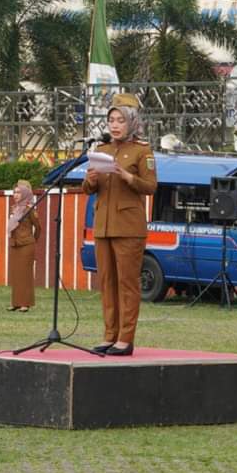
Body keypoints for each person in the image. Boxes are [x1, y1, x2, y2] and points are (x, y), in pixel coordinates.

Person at [80, 93, 158, 355]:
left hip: (128, 227)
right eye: (111, 120)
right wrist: (90, 178)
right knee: (107, 282)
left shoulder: (142, 151)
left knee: (127, 283)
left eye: (120, 121)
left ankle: (125, 338)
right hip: (103, 225)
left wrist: (127, 176)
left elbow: (151, 187)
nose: (114, 125)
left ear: (132, 123)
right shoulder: (100, 150)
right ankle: (109, 335)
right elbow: (90, 189)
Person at [6, 179, 40, 313]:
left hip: (26, 245)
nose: (15, 195)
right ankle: (16, 302)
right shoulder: (14, 209)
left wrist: (32, 240)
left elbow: (38, 227)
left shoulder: (29, 209)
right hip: (15, 244)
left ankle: (25, 303)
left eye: (19, 193)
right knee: (16, 274)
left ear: (25, 194)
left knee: (25, 275)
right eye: (14, 193)